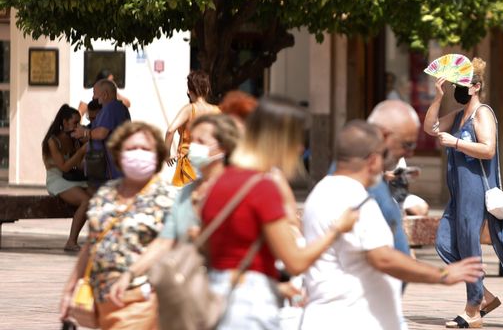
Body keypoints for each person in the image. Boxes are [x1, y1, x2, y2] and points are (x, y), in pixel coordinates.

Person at [300, 121, 483, 330]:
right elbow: (383, 258)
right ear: (372, 160)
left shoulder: (321, 191)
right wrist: (442, 274)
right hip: (350, 318)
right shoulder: (356, 198)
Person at [201, 96, 358, 330]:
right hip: (249, 305)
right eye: (296, 139)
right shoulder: (263, 187)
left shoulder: (218, 181)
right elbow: (295, 262)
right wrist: (337, 229)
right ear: (278, 140)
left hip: (217, 296)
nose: (300, 148)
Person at [425, 57, 503, 328]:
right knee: (444, 243)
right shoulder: (458, 116)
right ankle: (484, 297)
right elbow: (430, 128)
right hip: (458, 191)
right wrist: (437, 97)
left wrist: (456, 143)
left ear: (476, 86)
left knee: (469, 246)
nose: (459, 88)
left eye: (463, 84)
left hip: (475, 190)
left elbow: (489, 149)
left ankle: (473, 309)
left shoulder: (483, 113)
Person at [105, 114, 240, 303]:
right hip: (189, 298)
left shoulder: (236, 190)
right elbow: (164, 242)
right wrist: (130, 274)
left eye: (201, 141)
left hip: (229, 297)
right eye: (192, 140)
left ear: (223, 147)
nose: (193, 147)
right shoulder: (186, 193)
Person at [59, 121, 176, 329]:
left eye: (145, 149)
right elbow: (92, 244)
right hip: (104, 301)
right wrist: (70, 288)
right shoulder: (106, 194)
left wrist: (130, 275)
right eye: (131, 149)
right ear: (119, 155)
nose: (138, 154)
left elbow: (166, 243)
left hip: (142, 299)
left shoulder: (166, 196)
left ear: (157, 154)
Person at [328, 99, 421, 257]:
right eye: (407, 145)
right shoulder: (355, 179)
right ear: (384, 135)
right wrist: (440, 274)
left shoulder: (372, 178)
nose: (410, 153)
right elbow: (381, 258)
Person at [42, 104, 91, 252]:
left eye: (79, 122)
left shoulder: (74, 139)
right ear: (64, 123)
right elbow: (63, 167)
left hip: (71, 178)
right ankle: (71, 241)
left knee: (98, 195)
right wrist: (82, 150)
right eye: (75, 122)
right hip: (57, 179)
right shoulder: (53, 141)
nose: (78, 126)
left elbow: (79, 165)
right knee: (86, 200)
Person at [165, 70, 220, 186]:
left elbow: (170, 130)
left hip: (189, 164)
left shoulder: (189, 109)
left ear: (189, 91)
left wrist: (167, 154)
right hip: (210, 162)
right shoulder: (217, 111)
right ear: (207, 89)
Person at [72, 79, 132, 182]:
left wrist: (84, 133)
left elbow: (101, 133)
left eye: (95, 93)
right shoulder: (120, 107)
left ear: (104, 95)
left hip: (112, 171)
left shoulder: (110, 108)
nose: (93, 97)